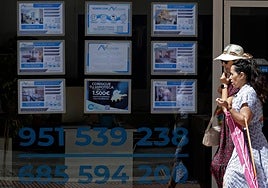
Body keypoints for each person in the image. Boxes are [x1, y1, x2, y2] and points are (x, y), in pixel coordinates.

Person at [216, 58, 268, 187]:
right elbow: (226, 105)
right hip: (243, 146)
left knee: (235, 179)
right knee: (233, 180)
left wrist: (228, 108)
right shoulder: (242, 92)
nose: (230, 78)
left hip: (252, 148)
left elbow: (244, 120)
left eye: (232, 74)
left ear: (242, 75)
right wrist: (225, 89)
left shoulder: (248, 93)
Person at [211, 44, 252, 188]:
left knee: (224, 166)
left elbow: (226, 105)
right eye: (222, 61)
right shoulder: (231, 79)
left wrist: (224, 86)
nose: (223, 65)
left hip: (238, 131)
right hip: (229, 129)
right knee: (219, 165)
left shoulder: (243, 83)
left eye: (226, 62)